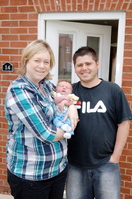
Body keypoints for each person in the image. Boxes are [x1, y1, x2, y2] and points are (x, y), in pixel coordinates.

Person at [4, 39, 78, 199]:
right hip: (31, 174)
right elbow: (46, 133)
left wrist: (72, 108)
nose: (42, 66)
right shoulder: (19, 91)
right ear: (26, 61)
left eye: (46, 61)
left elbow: (65, 99)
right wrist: (68, 129)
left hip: (57, 169)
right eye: (37, 60)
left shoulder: (46, 85)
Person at [66, 46, 132, 199]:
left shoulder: (113, 90)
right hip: (75, 165)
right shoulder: (70, 93)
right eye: (79, 65)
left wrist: (115, 157)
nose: (84, 68)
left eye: (88, 63)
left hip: (106, 164)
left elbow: (124, 123)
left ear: (97, 64)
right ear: (75, 68)